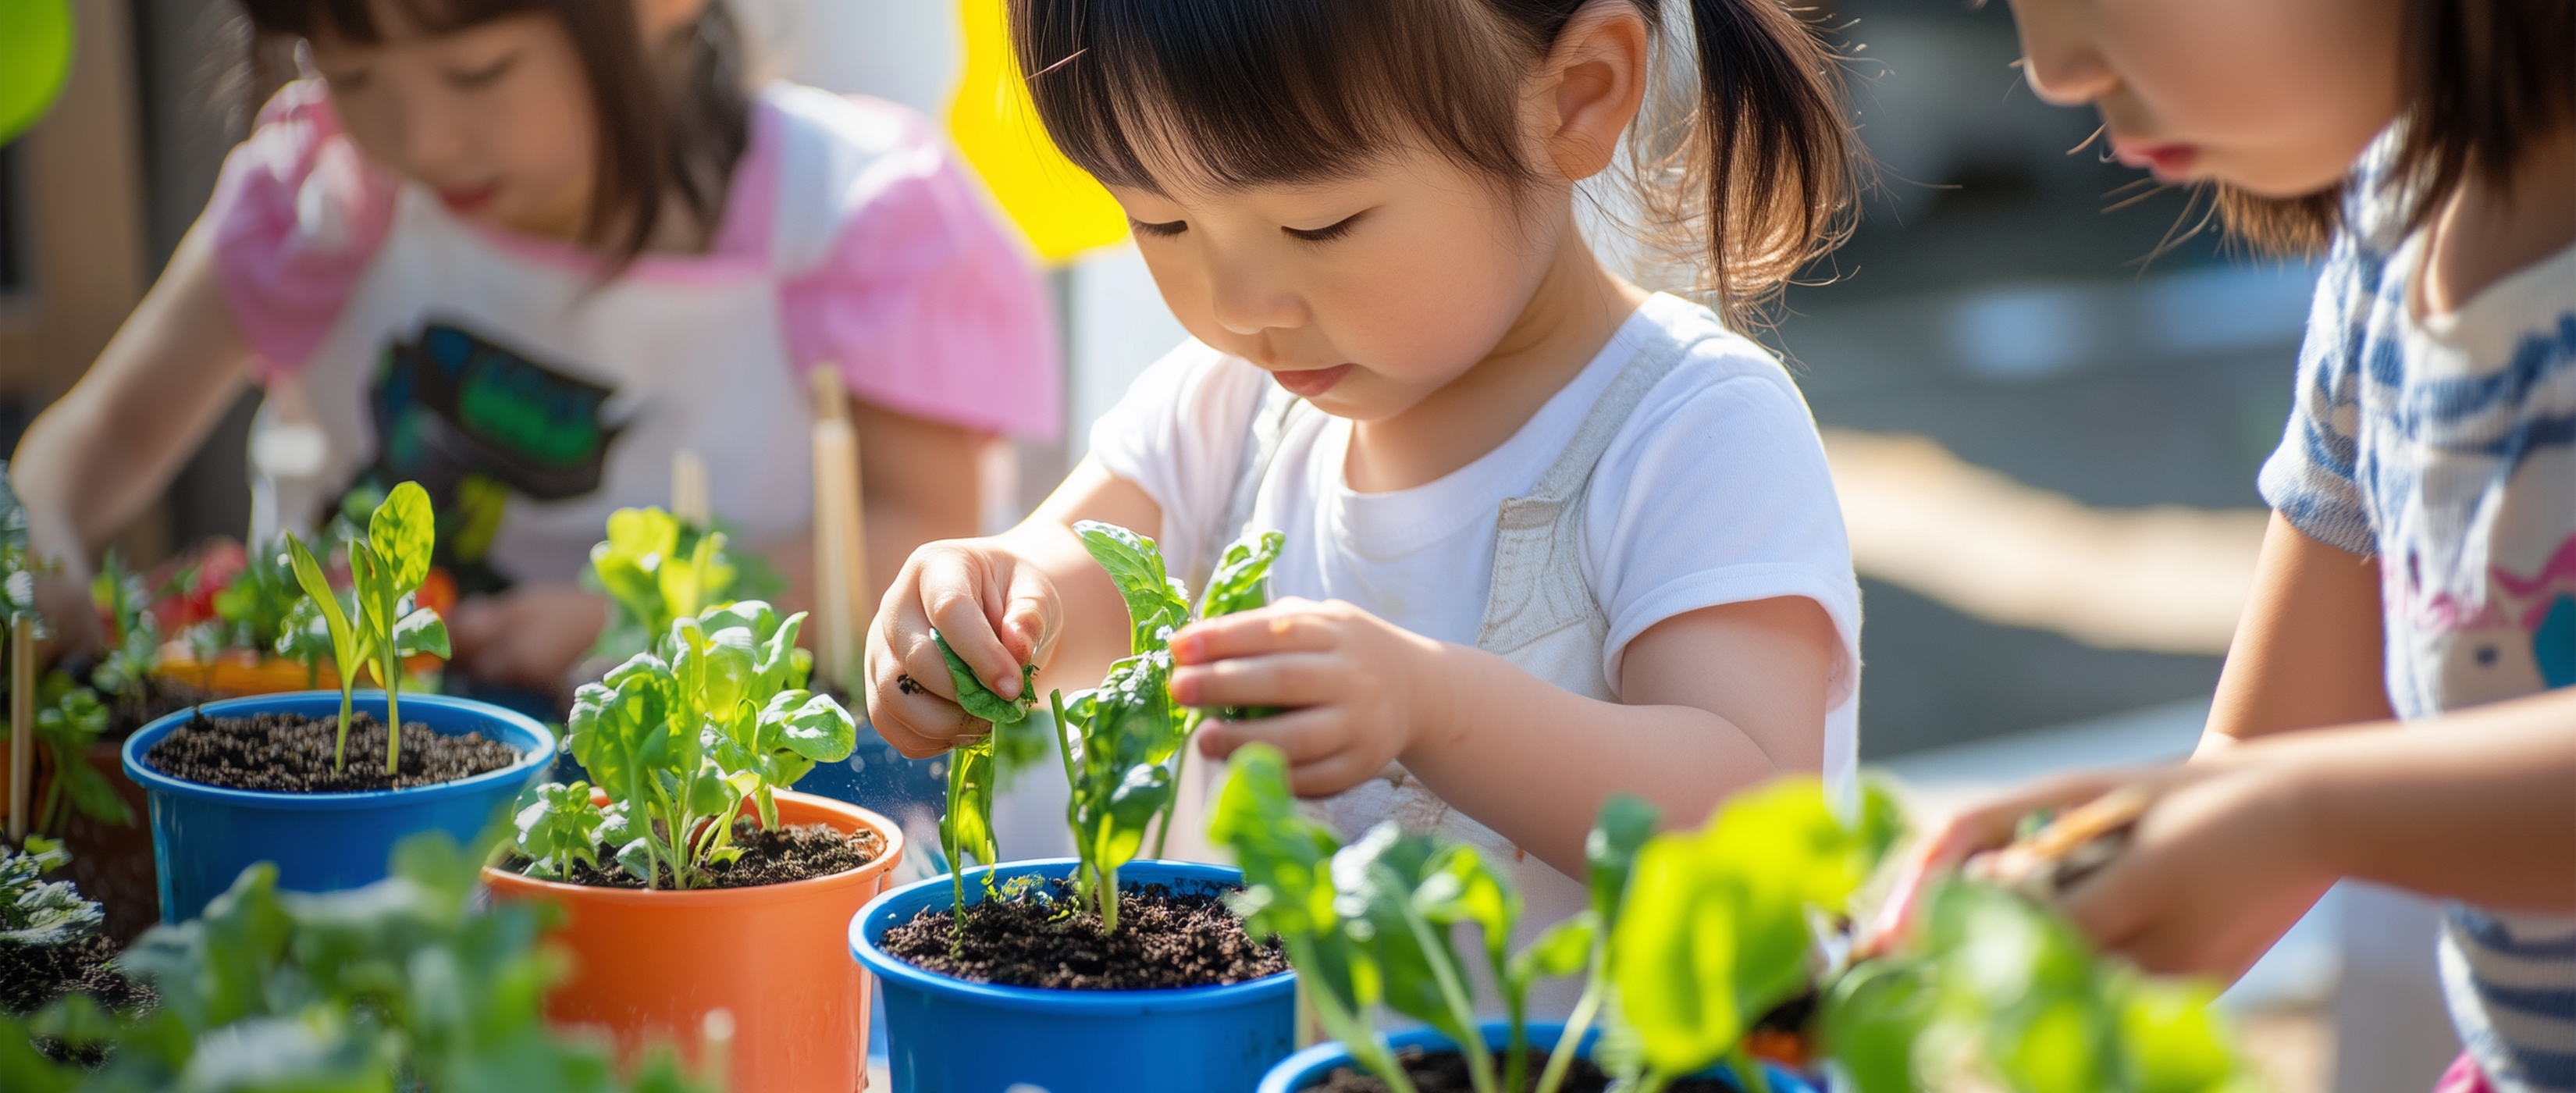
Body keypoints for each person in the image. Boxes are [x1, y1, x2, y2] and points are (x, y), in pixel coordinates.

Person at [867, 0, 1866, 977]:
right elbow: (1075, 578)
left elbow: (1756, 828)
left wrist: (1432, 706)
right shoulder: (1229, 409)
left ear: (1576, 98)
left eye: (1321, 223)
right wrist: (981, 603)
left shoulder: (1689, 430)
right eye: (1161, 220)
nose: (1240, 306)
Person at [1883, 0, 2576, 1088]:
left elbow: (2291, 799)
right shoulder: (2391, 248)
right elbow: (2266, 762)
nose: (2053, 69)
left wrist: (2295, 817)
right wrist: (2058, 901)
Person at [9, 0, 1057, 696]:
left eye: (479, 70)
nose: (421, 137)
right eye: (355, 76)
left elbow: (916, 531)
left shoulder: (849, 218)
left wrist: (629, 619)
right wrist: (42, 545)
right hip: (352, 784)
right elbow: (99, 437)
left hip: (713, 813)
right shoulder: (323, 194)